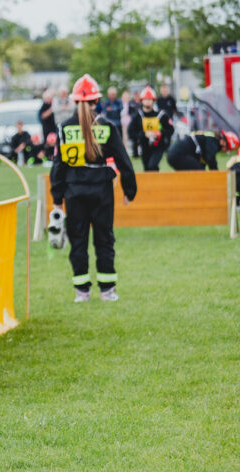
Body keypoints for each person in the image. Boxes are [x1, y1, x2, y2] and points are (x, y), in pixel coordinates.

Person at [50, 74, 137, 303]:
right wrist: (130, 190)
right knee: (104, 240)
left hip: (74, 193)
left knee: (77, 241)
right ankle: (108, 291)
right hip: (102, 192)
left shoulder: (64, 128)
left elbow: (58, 165)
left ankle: (82, 292)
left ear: (75, 101)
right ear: (96, 101)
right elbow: (123, 160)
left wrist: (57, 197)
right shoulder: (107, 126)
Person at [127, 86, 173, 172]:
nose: (148, 101)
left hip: (158, 146)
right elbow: (131, 132)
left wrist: (161, 133)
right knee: (147, 169)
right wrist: (144, 134)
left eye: (150, 99)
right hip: (144, 146)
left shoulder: (161, 115)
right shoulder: (137, 116)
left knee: (152, 166)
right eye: (146, 99)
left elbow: (170, 129)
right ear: (142, 101)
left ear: (153, 100)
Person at [166, 129, 240, 171]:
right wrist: (216, 175)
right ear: (223, 142)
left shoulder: (208, 138)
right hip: (179, 154)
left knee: (195, 172)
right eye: (226, 149)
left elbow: (203, 160)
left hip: (174, 153)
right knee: (200, 173)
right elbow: (210, 158)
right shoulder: (212, 140)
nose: (223, 150)